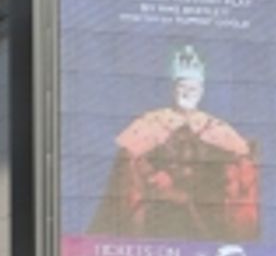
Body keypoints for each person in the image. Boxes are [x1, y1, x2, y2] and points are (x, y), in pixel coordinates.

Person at [89, 43, 259, 243]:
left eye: (193, 88)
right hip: (157, 211)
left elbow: (238, 171)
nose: (188, 93)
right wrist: (152, 177)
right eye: (182, 87)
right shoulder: (151, 122)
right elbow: (129, 164)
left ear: (202, 90)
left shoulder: (217, 128)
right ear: (173, 88)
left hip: (203, 213)